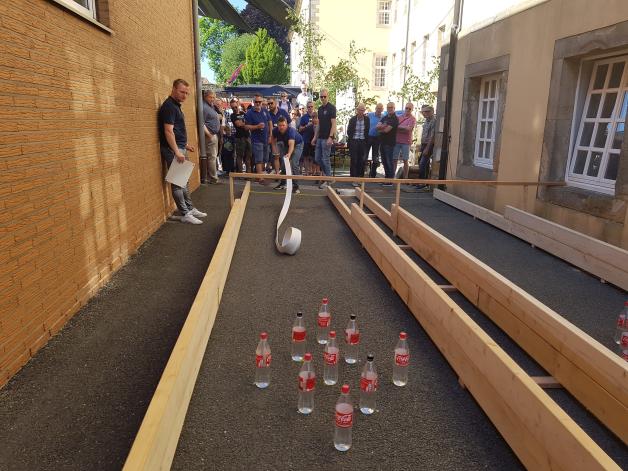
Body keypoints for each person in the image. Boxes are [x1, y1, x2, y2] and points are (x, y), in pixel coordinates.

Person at [158, 79, 206, 224]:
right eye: (182, 92)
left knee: (184, 181)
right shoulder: (169, 107)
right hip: (173, 150)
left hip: (180, 147)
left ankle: (190, 209)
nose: (185, 95)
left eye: (187, 93)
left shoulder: (176, 106)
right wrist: (177, 151)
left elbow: (176, 131)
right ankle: (185, 213)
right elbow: (168, 131)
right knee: (178, 183)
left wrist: (185, 145)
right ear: (173, 89)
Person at [271, 116, 304, 194]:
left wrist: (289, 154)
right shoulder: (275, 130)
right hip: (286, 144)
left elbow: (291, 144)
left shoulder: (291, 131)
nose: (281, 127)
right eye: (280, 125)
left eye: (283, 125)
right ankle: (283, 183)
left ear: (287, 125)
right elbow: (272, 141)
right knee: (283, 163)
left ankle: (296, 186)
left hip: (298, 144)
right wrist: (274, 150)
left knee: (293, 163)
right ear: (277, 125)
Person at [312, 88, 336, 189]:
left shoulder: (332, 108)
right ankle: (329, 177)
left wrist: (331, 137)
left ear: (328, 96)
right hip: (320, 138)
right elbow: (319, 124)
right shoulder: (320, 109)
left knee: (325, 159)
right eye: (321, 97)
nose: (322, 98)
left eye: (324, 96)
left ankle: (328, 180)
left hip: (327, 138)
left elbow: (333, 124)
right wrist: (314, 137)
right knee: (317, 158)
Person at [244, 93, 271, 183]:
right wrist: (257, 127)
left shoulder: (265, 110)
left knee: (264, 159)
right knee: (259, 159)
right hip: (256, 139)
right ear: (253, 102)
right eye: (256, 102)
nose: (258, 103)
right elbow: (246, 127)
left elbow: (270, 122)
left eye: (260, 101)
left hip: (266, 138)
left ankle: (261, 175)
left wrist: (270, 135)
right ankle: (260, 178)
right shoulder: (249, 113)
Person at [267, 97, 291, 178]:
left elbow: (290, 124)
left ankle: (285, 175)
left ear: (276, 103)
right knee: (275, 156)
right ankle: (277, 174)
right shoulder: (267, 113)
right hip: (274, 138)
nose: (270, 105)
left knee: (285, 158)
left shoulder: (283, 112)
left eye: (271, 103)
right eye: (268, 103)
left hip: (284, 139)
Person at [376, 102, 399, 185]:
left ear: (394, 108)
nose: (389, 108)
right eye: (388, 107)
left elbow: (386, 130)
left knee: (389, 161)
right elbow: (377, 127)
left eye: (391, 107)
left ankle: (390, 180)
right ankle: (386, 178)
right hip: (382, 142)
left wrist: (381, 128)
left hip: (389, 143)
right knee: (384, 161)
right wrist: (383, 127)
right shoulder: (385, 117)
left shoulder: (395, 119)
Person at [346, 103, 369, 184]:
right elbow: (348, 131)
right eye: (360, 110)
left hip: (363, 141)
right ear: (357, 110)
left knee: (361, 160)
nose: (361, 112)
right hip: (354, 141)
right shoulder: (352, 119)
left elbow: (367, 131)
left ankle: (360, 178)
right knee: (354, 160)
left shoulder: (367, 119)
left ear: (364, 111)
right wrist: (352, 139)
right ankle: (353, 178)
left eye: (363, 110)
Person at [393, 102, 416, 179]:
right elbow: (395, 127)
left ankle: (405, 178)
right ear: (404, 108)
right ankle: (392, 177)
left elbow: (409, 129)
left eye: (410, 109)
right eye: (406, 108)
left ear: (412, 110)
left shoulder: (413, 119)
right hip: (397, 140)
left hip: (406, 142)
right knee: (394, 159)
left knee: (405, 160)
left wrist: (399, 127)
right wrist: (404, 127)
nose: (408, 110)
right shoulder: (399, 117)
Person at [202, 90, 221, 184]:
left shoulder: (211, 106)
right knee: (212, 157)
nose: (213, 99)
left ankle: (213, 177)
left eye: (214, 97)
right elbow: (202, 123)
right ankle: (213, 178)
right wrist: (208, 134)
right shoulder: (204, 107)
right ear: (205, 97)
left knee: (214, 156)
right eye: (211, 97)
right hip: (209, 135)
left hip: (214, 134)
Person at [230, 98, 252, 173]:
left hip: (247, 136)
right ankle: (240, 173)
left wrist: (245, 124)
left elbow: (249, 122)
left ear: (238, 105)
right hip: (239, 137)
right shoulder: (232, 115)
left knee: (248, 156)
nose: (234, 109)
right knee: (240, 156)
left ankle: (248, 173)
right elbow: (238, 124)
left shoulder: (243, 113)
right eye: (232, 108)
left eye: (235, 107)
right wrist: (246, 124)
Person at [417, 104, 436, 188]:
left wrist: (427, 148)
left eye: (426, 112)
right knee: (424, 163)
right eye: (423, 112)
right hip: (424, 144)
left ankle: (422, 183)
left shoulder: (433, 121)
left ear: (431, 112)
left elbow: (432, 136)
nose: (424, 114)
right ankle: (425, 183)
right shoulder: (426, 121)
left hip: (429, 145)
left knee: (422, 163)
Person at [299, 102, 317, 176]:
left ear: (314, 107)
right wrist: (307, 126)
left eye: (311, 106)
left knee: (313, 157)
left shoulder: (316, 115)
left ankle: (313, 172)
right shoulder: (304, 117)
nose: (310, 108)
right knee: (306, 157)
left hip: (314, 139)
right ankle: (306, 172)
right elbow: (300, 129)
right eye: (308, 107)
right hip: (306, 139)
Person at [367, 103, 385, 178]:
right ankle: (361, 173)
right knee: (364, 155)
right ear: (375, 108)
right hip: (368, 137)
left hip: (378, 138)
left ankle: (373, 174)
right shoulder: (369, 115)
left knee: (375, 157)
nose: (379, 110)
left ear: (382, 109)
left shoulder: (384, 117)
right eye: (378, 108)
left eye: (380, 108)